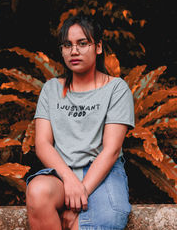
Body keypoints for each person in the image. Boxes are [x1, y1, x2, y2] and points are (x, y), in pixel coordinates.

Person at [26, 13, 135, 230]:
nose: (74, 51)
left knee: (104, 220)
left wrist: (79, 196)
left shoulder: (116, 89)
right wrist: (70, 181)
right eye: (67, 45)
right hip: (60, 172)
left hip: (103, 172)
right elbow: (43, 144)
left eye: (82, 43)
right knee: (37, 191)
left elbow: (111, 150)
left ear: (98, 47)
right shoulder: (51, 89)